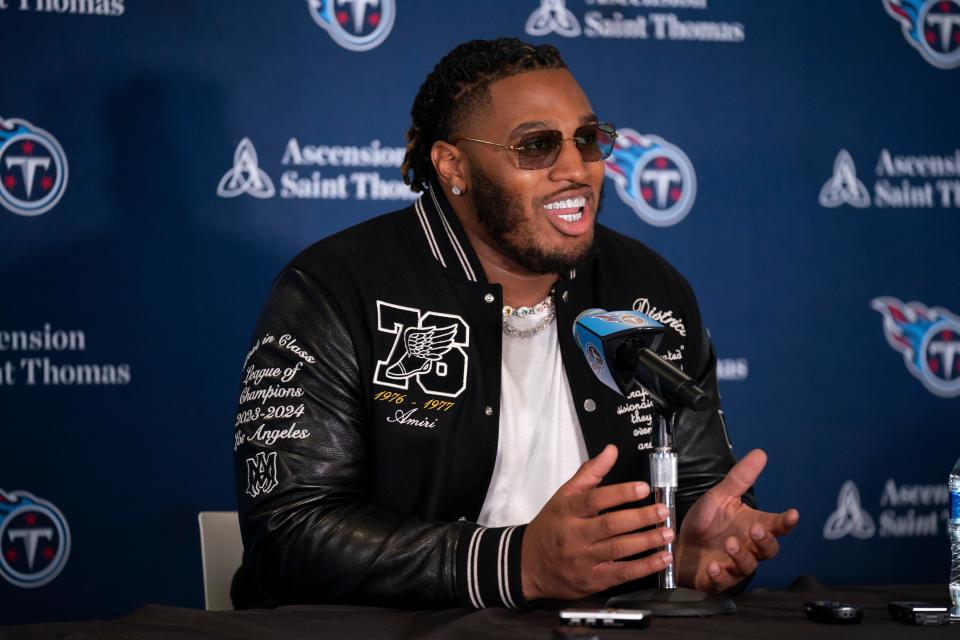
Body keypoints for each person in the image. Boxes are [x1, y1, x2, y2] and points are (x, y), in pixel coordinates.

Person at [232, 37, 799, 610]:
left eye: (588, 139)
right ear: (454, 165)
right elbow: (289, 536)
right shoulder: (336, 288)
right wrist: (515, 565)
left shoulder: (649, 289)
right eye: (536, 146)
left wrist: (690, 551)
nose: (577, 169)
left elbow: (700, 490)